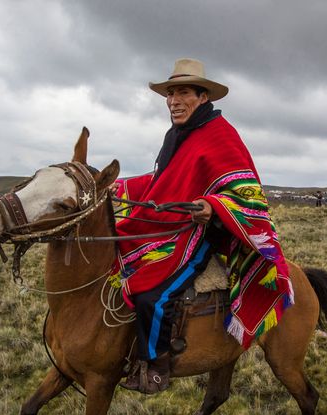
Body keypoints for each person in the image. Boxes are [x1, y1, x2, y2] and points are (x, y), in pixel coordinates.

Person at [112, 58, 292, 394]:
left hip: (199, 235)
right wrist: (121, 187)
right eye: (170, 94)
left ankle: (156, 365)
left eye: (182, 93)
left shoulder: (221, 136)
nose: (173, 101)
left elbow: (246, 192)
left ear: (203, 96)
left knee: (155, 293)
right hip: (171, 227)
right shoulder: (178, 135)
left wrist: (213, 205)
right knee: (118, 260)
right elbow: (163, 182)